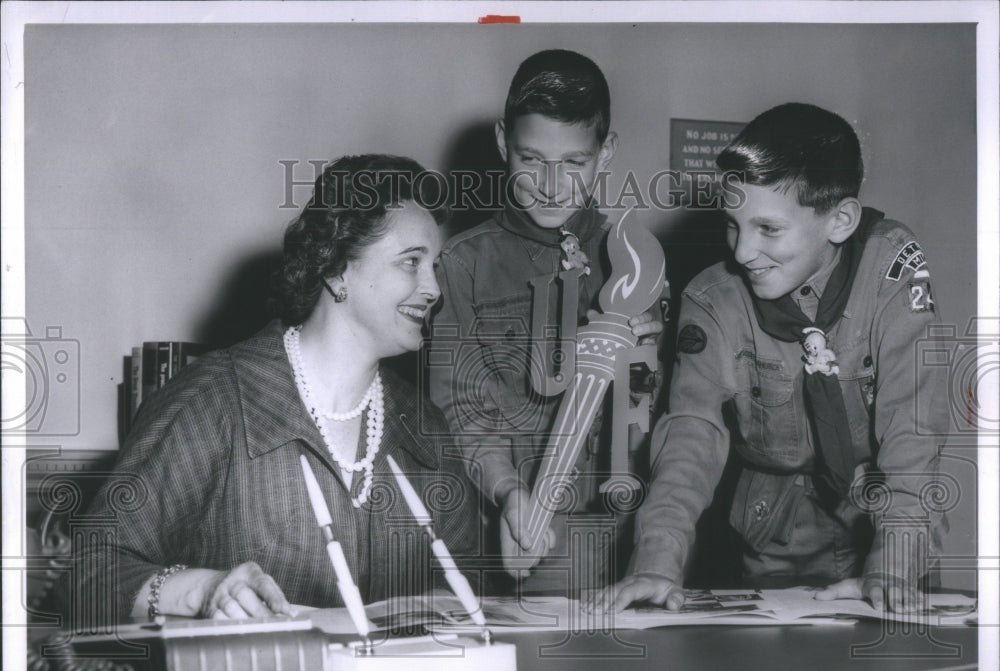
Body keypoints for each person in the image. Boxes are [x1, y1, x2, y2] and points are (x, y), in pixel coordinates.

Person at [69, 154, 482, 623]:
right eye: (411, 262)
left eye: (435, 265)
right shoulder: (213, 400)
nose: (433, 288)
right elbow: (90, 574)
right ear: (336, 270)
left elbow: (466, 587)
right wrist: (204, 592)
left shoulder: (424, 423)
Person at [586, 103, 948, 615]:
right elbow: (692, 433)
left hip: (887, 526)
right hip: (776, 539)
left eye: (768, 229)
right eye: (733, 225)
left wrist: (894, 564)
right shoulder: (713, 299)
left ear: (840, 220)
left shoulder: (890, 269)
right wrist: (656, 562)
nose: (742, 252)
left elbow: (913, 426)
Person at [428, 49, 663, 592]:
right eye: (532, 160)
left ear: (607, 153)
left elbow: (660, 417)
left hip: (613, 529)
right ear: (501, 143)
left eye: (574, 163)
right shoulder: (460, 265)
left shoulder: (635, 259)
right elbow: (458, 405)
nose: (552, 184)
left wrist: (651, 362)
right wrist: (510, 492)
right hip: (497, 518)